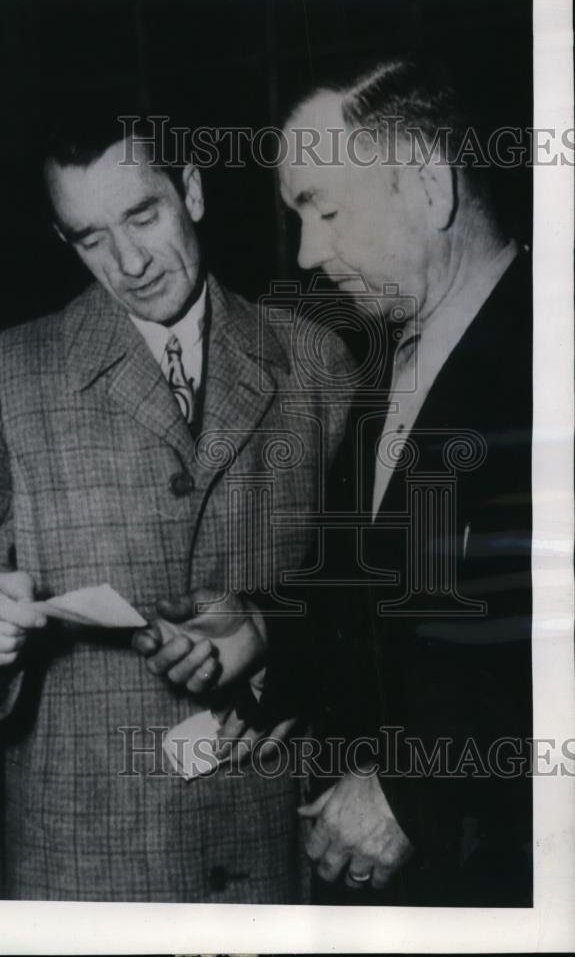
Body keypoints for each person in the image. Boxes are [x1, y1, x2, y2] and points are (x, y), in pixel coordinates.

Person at [0, 110, 355, 902]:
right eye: (91, 237)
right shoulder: (1, 377)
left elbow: (363, 600)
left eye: (143, 214)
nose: (130, 260)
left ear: (192, 192)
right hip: (88, 855)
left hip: (277, 840)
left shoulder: (315, 365)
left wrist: (285, 657)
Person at [140, 58, 533, 906]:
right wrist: (263, 632)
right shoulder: (388, 356)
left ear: (429, 185)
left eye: (323, 208)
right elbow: (396, 596)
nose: (309, 254)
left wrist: (415, 791)